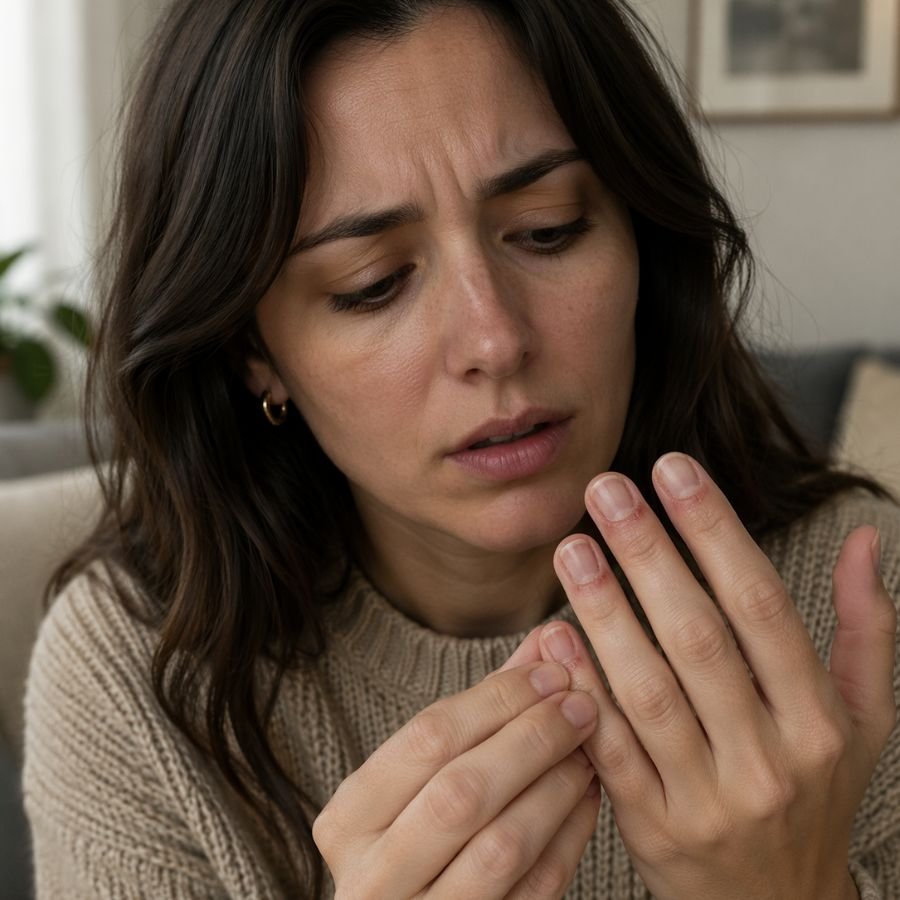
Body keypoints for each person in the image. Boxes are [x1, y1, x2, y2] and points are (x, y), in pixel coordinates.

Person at [21, 0, 899, 897]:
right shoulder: (133, 672)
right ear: (252, 353)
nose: (495, 339)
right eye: (373, 285)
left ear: (643, 232)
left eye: (549, 228)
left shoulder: (863, 594)